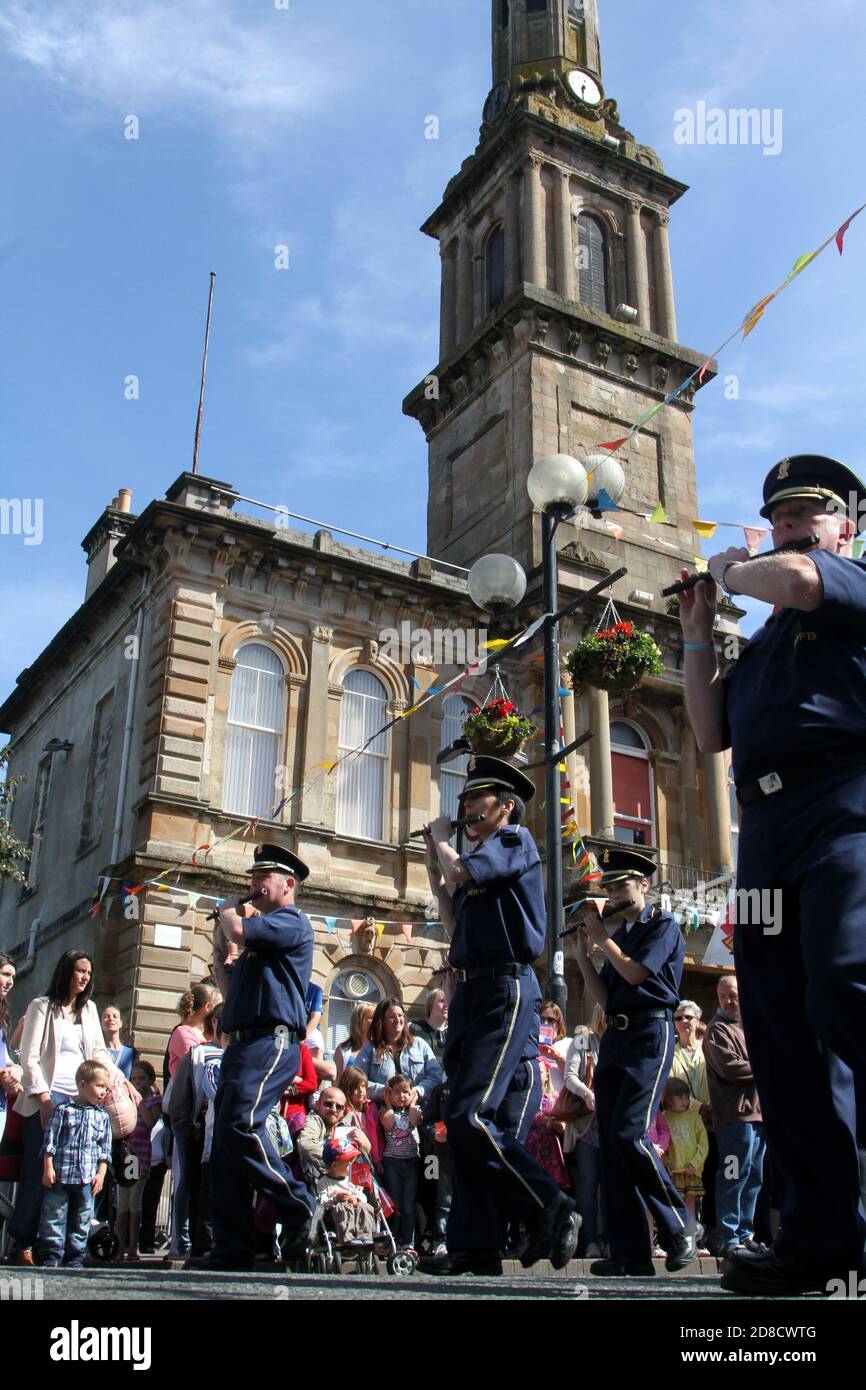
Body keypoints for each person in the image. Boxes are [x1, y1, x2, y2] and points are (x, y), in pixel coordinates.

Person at [678, 452, 866, 1294]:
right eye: (780, 513)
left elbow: (794, 577)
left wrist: (730, 567)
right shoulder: (765, 643)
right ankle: (820, 1237)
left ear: (844, 527)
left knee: (845, 984)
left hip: (843, 802)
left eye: (807, 513)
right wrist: (693, 632)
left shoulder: (841, 582)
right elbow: (709, 729)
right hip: (765, 828)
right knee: (779, 1028)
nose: (792, 523)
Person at [419, 756, 579, 1277]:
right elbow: (452, 915)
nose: (465, 806)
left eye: (475, 799)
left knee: (472, 1115)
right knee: (461, 1124)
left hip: (504, 989)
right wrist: (430, 853)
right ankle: (475, 1244)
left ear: (505, 806)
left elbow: (462, 869)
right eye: (463, 799)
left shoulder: (513, 842)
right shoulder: (479, 862)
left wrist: (445, 843)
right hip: (470, 992)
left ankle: (548, 1205)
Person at [191, 843, 319, 1271]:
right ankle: (233, 1245)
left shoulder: (291, 921)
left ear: (288, 884)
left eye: (263, 878)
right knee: (226, 1145)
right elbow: (228, 989)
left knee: (240, 1124)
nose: (254, 886)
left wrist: (229, 911)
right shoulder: (259, 945)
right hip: (243, 1043)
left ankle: (299, 1204)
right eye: (253, 878)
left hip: (273, 1040)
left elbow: (242, 930)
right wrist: (217, 945)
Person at [573, 846, 700, 1277]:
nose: (612, 892)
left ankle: (679, 1226)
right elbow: (607, 996)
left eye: (620, 885)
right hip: (619, 1035)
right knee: (611, 1143)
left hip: (650, 1031)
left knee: (630, 1132)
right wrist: (580, 954)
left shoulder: (662, 925)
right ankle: (629, 1251)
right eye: (608, 886)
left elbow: (635, 975)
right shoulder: (621, 937)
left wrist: (601, 936)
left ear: (643, 884)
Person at [8, 949, 131, 1266]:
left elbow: (100, 1054)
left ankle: (67, 1247)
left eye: (88, 972)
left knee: (79, 1176)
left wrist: (120, 1081)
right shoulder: (41, 1007)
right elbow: (28, 1056)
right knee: (41, 1173)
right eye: (79, 971)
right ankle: (23, 1242)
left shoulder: (89, 1010)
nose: (84, 977)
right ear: (66, 971)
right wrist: (44, 1097)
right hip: (47, 1099)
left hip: (82, 1103)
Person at [703, 974, 766, 1259]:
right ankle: (728, 1236)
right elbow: (731, 1068)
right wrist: (766, 1065)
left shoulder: (751, 1028)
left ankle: (745, 1233)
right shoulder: (717, 1031)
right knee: (732, 1176)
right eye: (725, 996)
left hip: (758, 1118)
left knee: (753, 1178)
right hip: (733, 1119)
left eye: (734, 995)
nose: (730, 1001)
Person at [164, 981, 220, 1262]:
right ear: (208, 1008)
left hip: (200, 1114)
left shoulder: (196, 1034)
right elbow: (196, 1067)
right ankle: (180, 1240)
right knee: (185, 1179)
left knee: (195, 1179)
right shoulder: (184, 1034)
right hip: (186, 1111)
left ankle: (193, 1238)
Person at [39, 1059, 113, 1268]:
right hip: (61, 1173)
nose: (103, 1091)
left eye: (106, 1088)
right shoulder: (63, 1110)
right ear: (82, 1085)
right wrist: (47, 1167)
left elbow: (104, 1150)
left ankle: (75, 1256)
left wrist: (101, 1174)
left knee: (82, 1218)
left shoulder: (102, 1117)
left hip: (86, 1178)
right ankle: (52, 1254)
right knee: (54, 1215)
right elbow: (50, 1142)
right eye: (99, 1086)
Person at [562, 1009, 604, 1259]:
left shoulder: (619, 1040)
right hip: (587, 1127)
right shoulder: (583, 1039)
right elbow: (569, 1077)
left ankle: (611, 1240)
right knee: (588, 1185)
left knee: (610, 1186)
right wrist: (587, 1093)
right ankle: (589, 1242)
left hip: (612, 1126)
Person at [115, 1061, 162, 1263]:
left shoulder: (153, 1101)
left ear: (150, 1080)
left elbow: (151, 1122)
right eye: (133, 1078)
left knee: (134, 1203)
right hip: (125, 1156)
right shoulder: (127, 1101)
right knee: (122, 1204)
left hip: (139, 1157)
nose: (137, 1082)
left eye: (141, 1078)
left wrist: (140, 1101)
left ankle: (133, 1247)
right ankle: (119, 1247)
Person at [355, 999, 441, 1105]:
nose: (397, 1020)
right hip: (382, 1114)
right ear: (381, 1021)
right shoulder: (370, 1049)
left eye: (400, 1016)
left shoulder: (419, 1045)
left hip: (418, 1113)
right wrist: (386, 1092)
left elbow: (436, 1076)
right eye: (391, 1017)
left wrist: (418, 1091)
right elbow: (357, 1081)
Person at [380, 1074, 423, 1251]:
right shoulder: (384, 1111)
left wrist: (412, 1102)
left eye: (405, 1092)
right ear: (389, 1094)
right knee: (395, 1203)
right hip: (392, 1162)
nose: (401, 1096)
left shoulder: (414, 1109)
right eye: (396, 1092)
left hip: (412, 1161)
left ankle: (409, 1242)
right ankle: (394, 1240)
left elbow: (415, 1120)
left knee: (408, 1204)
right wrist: (388, 1103)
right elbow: (389, 1123)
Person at [662, 1076, 709, 1223]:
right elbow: (663, 1146)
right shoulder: (664, 1118)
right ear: (668, 1099)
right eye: (679, 1097)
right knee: (674, 1205)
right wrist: (666, 1163)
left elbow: (703, 1144)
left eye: (686, 1097)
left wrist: (695, 1163)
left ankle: (690, 1238)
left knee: (690, 1204)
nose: (684, 1101)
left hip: (691, 1171)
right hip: (673, 1173)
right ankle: (677, 1237)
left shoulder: (695, 1118)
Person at [316, 1136, 376, 1244]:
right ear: (335, 1165)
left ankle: (365, 1236)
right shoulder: (324, 1182)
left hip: (355, 1211)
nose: (352, 1166)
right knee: (342, 1206)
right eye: (349, 1163)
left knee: (366, 1206)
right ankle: (347, 1238)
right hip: (336, 1216)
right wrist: (336, 1198)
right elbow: (322, 1203)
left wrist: (356, 1198)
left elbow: (362, 1195)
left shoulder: (353, 1178)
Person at [0, 952, 22, 1147]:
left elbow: (5, 1057)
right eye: (6, 974)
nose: (10, 982)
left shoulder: (3, 1016)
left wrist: (15, 1070)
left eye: (13, 977)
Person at [538, 1001, 571, 1095]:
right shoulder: (531, 1045)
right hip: (537, 1103)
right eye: (542, 1019)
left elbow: (574, 1075)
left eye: (550, 1020)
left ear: (558, 1024)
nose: (545, 1023)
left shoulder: (567, 1043)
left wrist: (558, 1057)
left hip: (558, 1104)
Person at [333, 1003, 375, 1077]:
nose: (375, 1022)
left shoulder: (380, 1049)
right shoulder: (343, 1050)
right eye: (371, 1018)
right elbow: (337, 1082)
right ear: (358, 1021)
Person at [411, 989, 448, 1062]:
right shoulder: (414, 1028)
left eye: (448, 1001)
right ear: (430, 1005)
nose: (446, 1005)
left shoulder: (455, 1033)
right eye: (442, 1001)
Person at [101, 1006, 137, 1080]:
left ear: (120, 1023)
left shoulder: (131, 1053)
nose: (111, 1019)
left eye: (115, 1016)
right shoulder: (97, 1051)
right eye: (106, 1016)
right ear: (101, 1024)